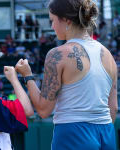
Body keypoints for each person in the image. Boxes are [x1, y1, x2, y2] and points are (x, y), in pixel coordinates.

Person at [15, 0, 118, 150]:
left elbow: (43, 111)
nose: (52, 27)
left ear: (66, 20)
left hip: (73, 133)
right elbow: (113, 107)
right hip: (107, 133)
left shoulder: (58, 54)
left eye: (53, 20)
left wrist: (28, 76)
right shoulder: (108, 55)